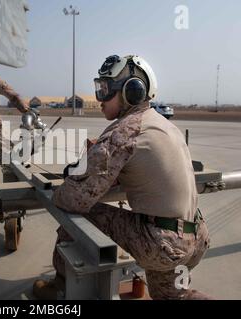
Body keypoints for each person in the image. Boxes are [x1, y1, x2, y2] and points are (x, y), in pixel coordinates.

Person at [33, 55, 212, 300]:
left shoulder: (125, 131)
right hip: (194, 238)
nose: (100, 99)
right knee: (174, 298)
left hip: (161, 244)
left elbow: (73, 198)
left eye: (106, 91)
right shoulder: (161, 123)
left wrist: (72, 179)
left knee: (77, 216)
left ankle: (61, 287)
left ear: (132, 92)